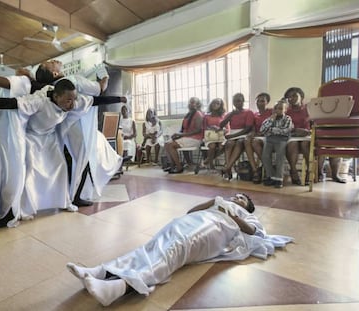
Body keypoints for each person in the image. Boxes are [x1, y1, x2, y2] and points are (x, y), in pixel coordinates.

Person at [66, 193, 293, 307]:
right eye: (237, 196)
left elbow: (254, 232)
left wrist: (233, 215)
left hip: (214, 229)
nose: (237, 198)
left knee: (174, 250)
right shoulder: (219, 202)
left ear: (246, 206)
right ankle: (103, 271)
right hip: (194, 220)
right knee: (152, 246)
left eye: (242, 199)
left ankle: (122, 287)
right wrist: (211, 203)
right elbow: (189, 212)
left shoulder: (245, 214)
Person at [0, 79, 122, 228]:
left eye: (74, 99)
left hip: (50, 139)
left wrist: (120, 98)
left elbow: (95, 101)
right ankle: (22, 209)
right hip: (32, 139)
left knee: (59, 167)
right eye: (68, 100)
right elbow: (12, 103)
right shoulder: (39, 101)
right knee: (28, 172)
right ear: (56, 96)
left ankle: (64, 201)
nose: (72, 103)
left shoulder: (72, 102)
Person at [219, 93, 254, 180]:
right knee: (229, 144)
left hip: (243, 134)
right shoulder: (230, 113)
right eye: (234, 101)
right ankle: (229, 169)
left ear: (243, 101)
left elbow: (248, 128)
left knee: (239, 142)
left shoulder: (248, 112)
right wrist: (231, 115)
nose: (237, 103)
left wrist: (233, 135)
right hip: (233, 134)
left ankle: (227, 168)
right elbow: (221, 125)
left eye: (239, 101)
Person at [164, 97, 204, 174]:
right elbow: (183, 129)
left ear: (198, 104)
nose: (190, 104)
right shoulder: (188, 114)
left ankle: (179, 167)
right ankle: (173, 165)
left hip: (195, 138)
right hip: (186, 137)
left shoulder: (198, 114)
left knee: (171, 145)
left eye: (193, 102)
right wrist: (178, 135)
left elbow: (198, 130)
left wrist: (181, 134)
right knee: (166, 144)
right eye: (190, 102)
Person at [260, 99, 293, 188]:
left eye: (280, 109)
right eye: (275, 108)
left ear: (285, 110)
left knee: (280, 157)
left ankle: (279, 179)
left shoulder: (287, 119)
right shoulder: (270, 119)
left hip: (281, 140)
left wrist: (272, 130)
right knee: (265, 156)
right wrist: (271, 121)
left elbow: (286, 131)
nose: (277, 110)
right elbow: (262, 129)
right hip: (269, 139)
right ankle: (271, 176)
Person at [284, 87, 310, 185]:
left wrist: (307, 131)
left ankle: (309, 172)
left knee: (305, 144)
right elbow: (284, 127)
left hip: (306, 135)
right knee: (292, 144)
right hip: (292, 136)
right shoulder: (285, 111)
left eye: (294, 95)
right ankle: (293, 171)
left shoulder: (308, 109)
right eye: (289, 97)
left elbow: (314, 123)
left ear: (301, 97)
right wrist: (294, 131)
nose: (291, 98)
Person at [245, 92, 273, 184]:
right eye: (258, 101)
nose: (260, 103)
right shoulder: (255, 115)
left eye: (262, 101)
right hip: (259, 136)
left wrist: (261, 133)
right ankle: (255, 170)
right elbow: (253, 129)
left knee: (255, 142)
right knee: (247, 140)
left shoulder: (272, 112)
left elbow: (274, 125)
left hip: (269, 136)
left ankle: (267, 168)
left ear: (267, 102)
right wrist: (252, 134)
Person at [202, 98, 229, 171]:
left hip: (220, 136)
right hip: (210, 136)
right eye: (214, 103)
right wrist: (210, 127)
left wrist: (220, 129)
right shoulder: (206, 116)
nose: (215, 105)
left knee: (222, 147)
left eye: (218, 103)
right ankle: (211, 163)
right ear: (211, 104)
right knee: (212, 146)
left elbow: (227, 129)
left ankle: (207, 160)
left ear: (221, 105)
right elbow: (203, 128)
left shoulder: (224, 116)